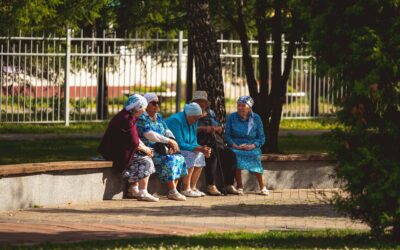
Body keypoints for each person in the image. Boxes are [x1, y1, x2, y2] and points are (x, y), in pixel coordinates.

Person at [98, 94, 159, 202]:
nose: (144, 111)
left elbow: (134, 137)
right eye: (143, 109)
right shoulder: (127, 119)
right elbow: (133, 141)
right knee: (146, 160)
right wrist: (146, 150)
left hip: (117, 149)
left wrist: (145, 147)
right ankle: (143, 192)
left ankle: (134, 189)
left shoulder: (128, 115)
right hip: (115, 152)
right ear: (137, 108)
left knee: (142, 155)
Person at [136, 93, 188, 201]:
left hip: (161, 149)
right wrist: (167, 140)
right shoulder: (142, 118)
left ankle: (175, 189)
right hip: (149, 151)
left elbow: (166, 130)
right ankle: (172, 191)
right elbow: (148, 134)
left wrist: (172, 140)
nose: (156, 105)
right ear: (146, 105)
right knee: (169, 160)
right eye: (153, 103)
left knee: (179, 157)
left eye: (157, 103)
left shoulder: (158, 117)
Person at [192, 91, 239, 195]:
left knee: (230, 154)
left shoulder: (210, 112)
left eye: (203, 101)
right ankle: (210, 185)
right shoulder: (190, 112)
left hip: (214, 139)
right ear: (194, 102)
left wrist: (217, 128)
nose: (201, 104)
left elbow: (218, 126)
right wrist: (204, 129)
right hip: (199, 140)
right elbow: (189, 129)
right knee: (211, 154)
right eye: (198, 101)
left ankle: (229, 184)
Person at [224, 96, 269, 195]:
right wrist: (235, 145)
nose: (240, 108)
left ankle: (262, 186)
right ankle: (239, 186)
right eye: (238, 105)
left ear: (249, 107)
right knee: (235, 155)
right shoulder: (232, 117)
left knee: (255, 155)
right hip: (236, 146)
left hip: (251, 146)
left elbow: (261, 137)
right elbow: (227, 135)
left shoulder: (256, 118)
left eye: (243, 106)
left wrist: (253, 145)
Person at [165, 102, 211, 197]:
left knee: (200, 154)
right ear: (188, 115)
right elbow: (179, 144)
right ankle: (185, 188)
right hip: (170, 148)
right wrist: (198, 148)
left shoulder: (193, 119)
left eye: (198, 118)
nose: (196, 121)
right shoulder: (176, 120)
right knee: (190, 154)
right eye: (195, 118)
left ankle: (193, 187)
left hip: (184, 148)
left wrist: (203, 149)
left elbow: (193, 141)